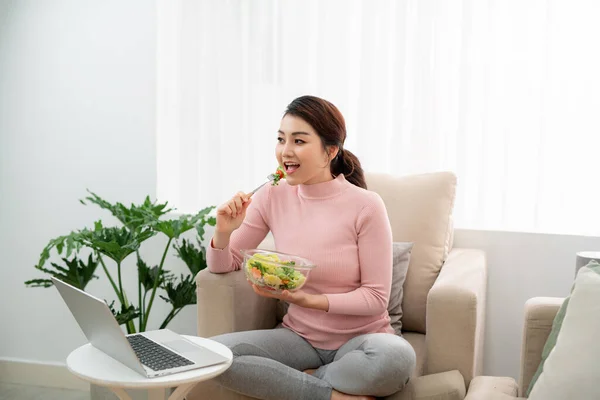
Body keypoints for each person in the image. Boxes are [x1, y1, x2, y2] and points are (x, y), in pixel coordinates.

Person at [206, 95, 416, 400]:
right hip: (298, 338)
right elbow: (223, 265)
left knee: (397, 360)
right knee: (213, 356)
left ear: (330, 151)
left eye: (299, 141)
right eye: (281, 139)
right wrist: (223, 232)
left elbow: (375, 298)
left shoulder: (366, 205)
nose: (285, 151)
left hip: (363, 341)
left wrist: (307, 299)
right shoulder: (271, 195)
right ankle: (330, 395)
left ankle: (307, 380)